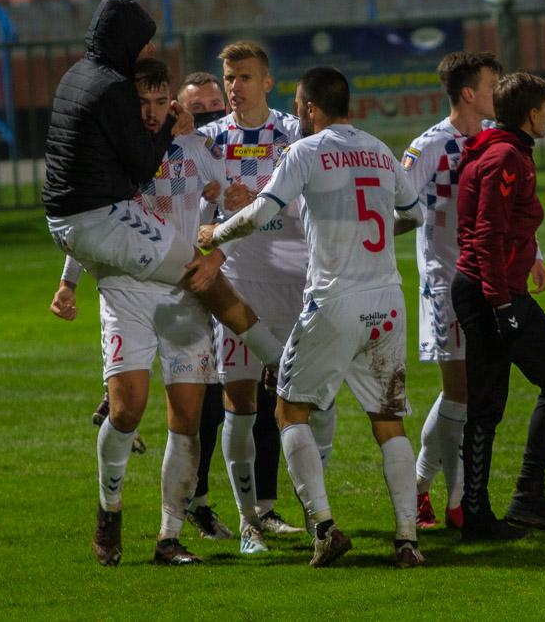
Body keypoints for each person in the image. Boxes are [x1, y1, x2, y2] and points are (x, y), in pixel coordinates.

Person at [197, 66, 426, 568]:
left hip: (335, 299)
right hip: (387, 300)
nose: (297, 114)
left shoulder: (305, 150)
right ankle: (407, 540)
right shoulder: (379, 149)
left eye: (300, 107)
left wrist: (215, 235)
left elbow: (261, 213)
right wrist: (371, 232)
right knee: (388, 421)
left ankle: (323, 527)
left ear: (311, 109)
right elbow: (415, 213)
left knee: (289, 411)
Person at [42, 0, 284, 394]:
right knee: (203, 273)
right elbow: (125, 185)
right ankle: (278, 360)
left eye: (160, 103)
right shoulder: (117, 97)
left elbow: (228, 201)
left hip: (84, 230)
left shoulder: (78, 76)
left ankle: (272, 362)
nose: (151, 47)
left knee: (174, 414)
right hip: (122, 257)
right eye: (144, 40)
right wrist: (170, 128)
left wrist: (219, 201)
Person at [49, 58, 227, 566]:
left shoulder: (195, 145)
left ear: (172, 100)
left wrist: (218, 251)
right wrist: (69, 281)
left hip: (183, 294)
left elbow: (231, 202)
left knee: (187, 419)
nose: (150, 112)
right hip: (125, 291)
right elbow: (90, 219)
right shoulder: (112, 151)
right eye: (141, 102)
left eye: (158, 101)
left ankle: (169, 538)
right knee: (127, 410)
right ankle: (109, 509)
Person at [196, 41, 330, 554]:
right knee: (241, 401)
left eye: (245, 77)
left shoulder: (294, 133)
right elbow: (192, 209)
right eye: (229, 77)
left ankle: (314, 511)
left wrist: (263, 202)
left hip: (297, 284)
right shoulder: (210, 140)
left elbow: (318, 192)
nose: (235, 86)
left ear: (268, 82)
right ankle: (249, 521)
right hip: (239, 287)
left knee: (312, 399)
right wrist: (211, 204)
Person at [452, 72, 545, 542]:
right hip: (491, 293)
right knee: (490, 406)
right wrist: (501, 304)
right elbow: (488, 235)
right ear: (530, 114)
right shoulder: (506, 156)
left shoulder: (507, 150)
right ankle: (482, 513)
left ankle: (521, 497)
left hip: (499, 290)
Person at [403, 50, 519, 531]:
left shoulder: (494, 138)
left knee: (469, 394)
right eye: (493, 86)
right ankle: (449, 500)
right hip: (444, 283)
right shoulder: (428, 146)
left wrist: (531, 255)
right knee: (460, 391)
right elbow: (399, 204)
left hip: (485, 281)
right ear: (469, 93)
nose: (499, 94)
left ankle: (425, 491)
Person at [176, 71, 234, 541]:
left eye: (217, 106)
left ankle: (257, 508)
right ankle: (192, 502)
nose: (211, 116)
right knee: (204, 403)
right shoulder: (167, 153)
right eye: (198, 110)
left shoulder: (225, 151)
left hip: (234, 275)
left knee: (242, 400)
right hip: (187, 282)